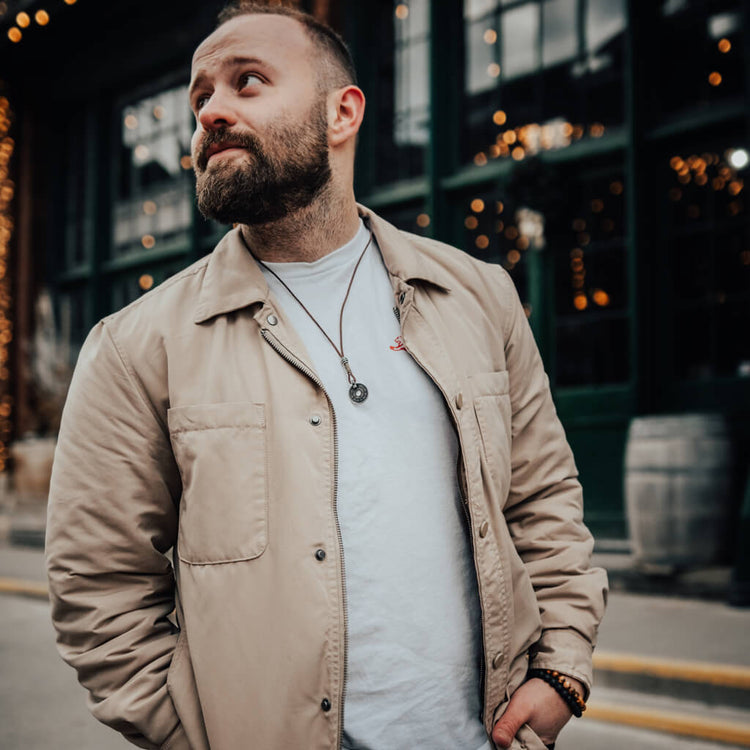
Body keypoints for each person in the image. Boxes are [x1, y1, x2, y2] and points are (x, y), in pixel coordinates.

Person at [46, 4, 608, 750]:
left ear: (342, 113)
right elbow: (98, 584)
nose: (211, 111)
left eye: (248, 82)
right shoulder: (134, 347)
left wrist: (563, 668)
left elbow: (542, 499)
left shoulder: (478, 295)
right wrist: (190, 736)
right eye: (200, 97)